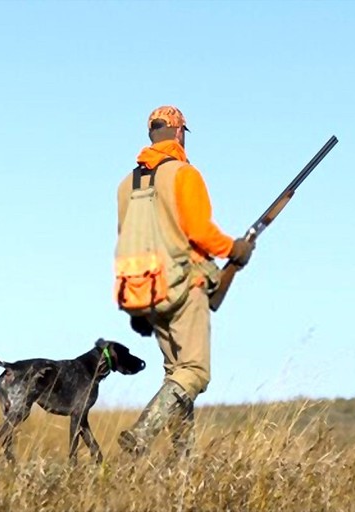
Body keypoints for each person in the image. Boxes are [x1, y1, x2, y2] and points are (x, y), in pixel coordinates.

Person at [115, 105, 254, 457]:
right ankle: (142, 434)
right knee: (194, 372)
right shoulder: (183, 174)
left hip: (146, 293)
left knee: (176, 373)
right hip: (184, 287)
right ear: (179, 134)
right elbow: (201, 233)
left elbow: (126, 237)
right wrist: (234, 249)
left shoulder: (125, 185)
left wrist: (139, 309)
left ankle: (182, 463)